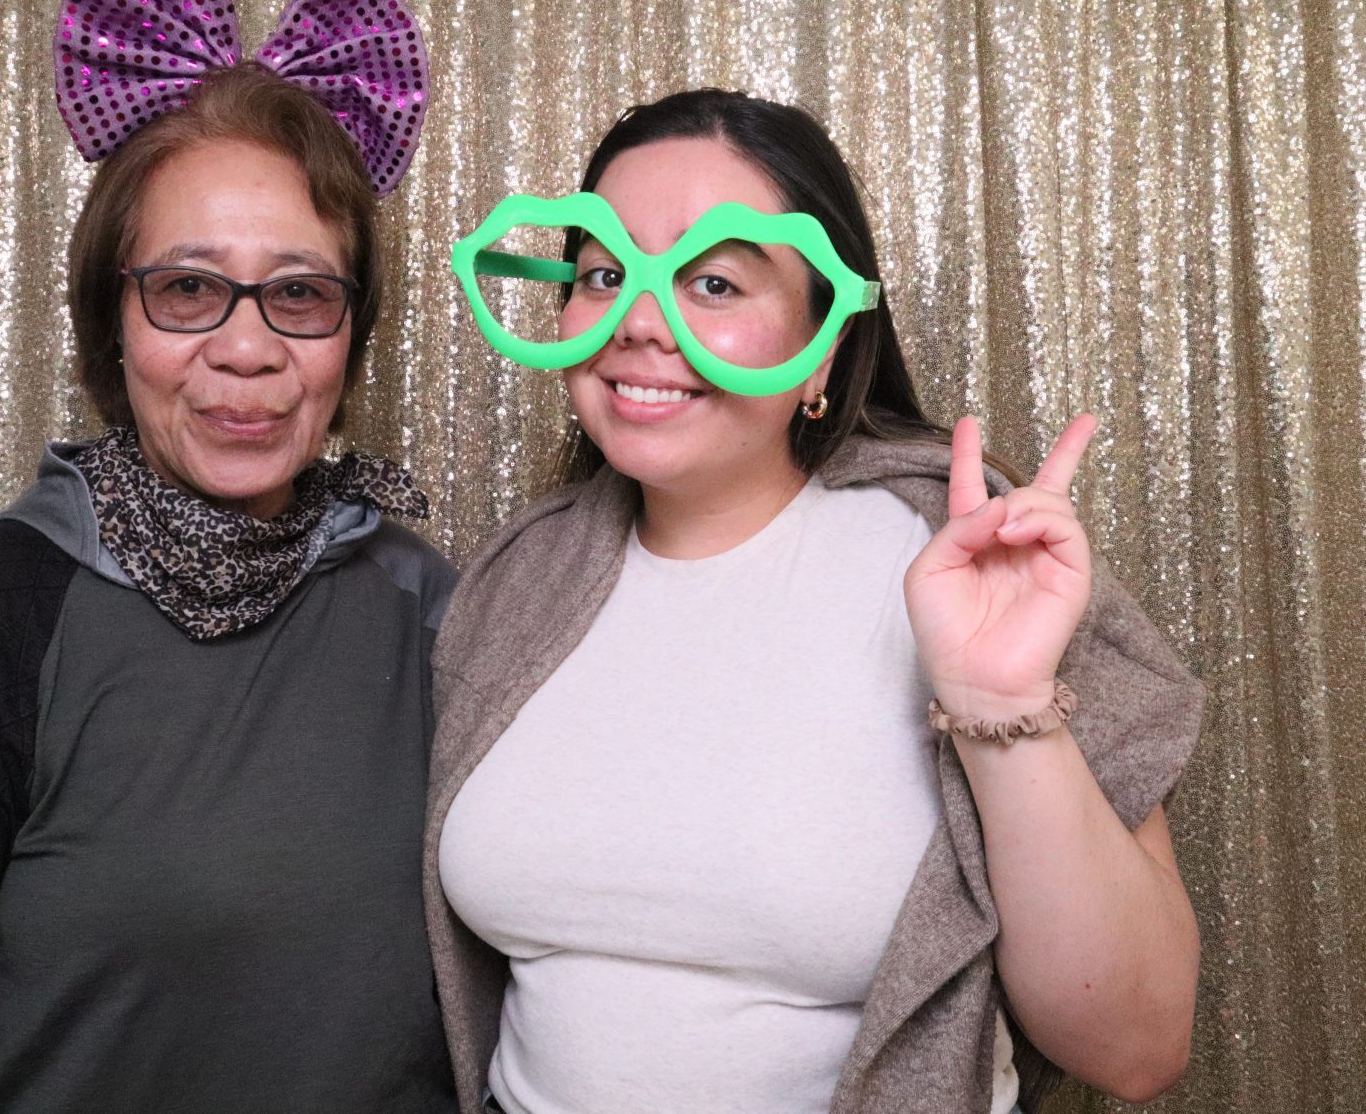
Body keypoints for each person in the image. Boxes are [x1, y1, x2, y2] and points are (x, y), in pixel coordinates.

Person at [0, 0, 454, 1110]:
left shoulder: (435, 608)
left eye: (301, 293)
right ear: (113, 319)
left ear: (352, 335)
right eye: (189, 288)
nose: (245, 348)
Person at [428, 89, 1204, 1114]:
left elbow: (1135, 1048)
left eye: (714, 282)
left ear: (825, 347)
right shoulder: (514, 581)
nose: (641, 323)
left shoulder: (967, 558)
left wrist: (1002, 705)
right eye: (605, 274)